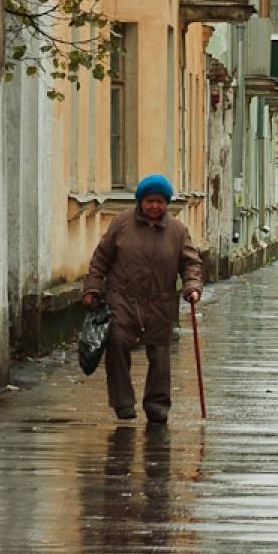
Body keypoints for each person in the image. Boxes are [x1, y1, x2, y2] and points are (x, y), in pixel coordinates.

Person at [83, 174, 203, 424]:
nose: (155, 206)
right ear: (141, 201)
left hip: (160, 301)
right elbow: (101, 258)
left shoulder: (178, 230)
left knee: (160, 353)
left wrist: (192, 287)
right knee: (117, 344)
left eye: (160, 202)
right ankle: (123, 403)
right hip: (122, 298)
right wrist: (92, 288)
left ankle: (157, 405)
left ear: (166, 203)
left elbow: (190, 262)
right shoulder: (122, 223)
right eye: (150, 201)